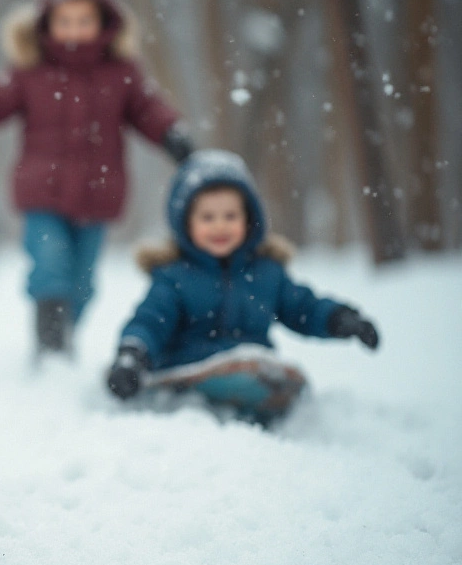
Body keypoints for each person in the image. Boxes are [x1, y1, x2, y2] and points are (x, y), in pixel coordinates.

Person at [0, 0, 192, 357]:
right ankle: (51, 348)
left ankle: (66, 333)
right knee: (50, 264)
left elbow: (148, 109)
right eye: (64, 21)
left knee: (84, 282)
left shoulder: (122, 73)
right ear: (46, 23)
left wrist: (172, 134)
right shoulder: (31, 72)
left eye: (83, 21)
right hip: (42, 193)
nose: (74, 31)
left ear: (105, 22)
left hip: (98, 194)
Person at [106, 151, 380, 422]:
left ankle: (257, 392)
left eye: (230, 216)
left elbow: (303, 307)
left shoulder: (267, 272)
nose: (220, 226)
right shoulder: (175, 276)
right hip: (191, 365)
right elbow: (152, 319)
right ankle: (193, 393)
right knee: (195, 378)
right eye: (208, 218)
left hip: (252, 363)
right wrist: (133, 355)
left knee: (259, 369)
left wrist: (340, 319)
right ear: (185, 223)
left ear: (248, 219)